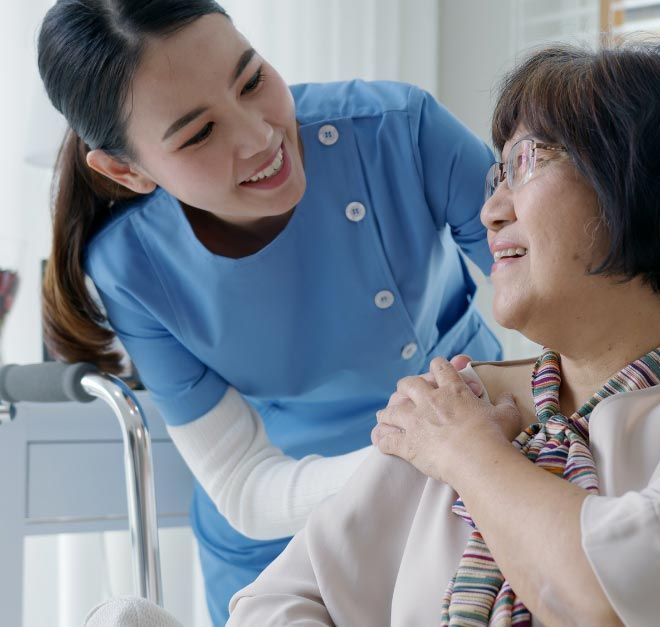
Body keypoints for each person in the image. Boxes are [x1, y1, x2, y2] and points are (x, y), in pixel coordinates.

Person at [228, 41, 660, 626]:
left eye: (527, 162)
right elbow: (272, 602)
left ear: (653, 182)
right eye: (497, 176)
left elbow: (611, 601)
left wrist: (469, 457)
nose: (490, 210)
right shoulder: (461, 401)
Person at [37, 2, 501, 624]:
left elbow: (568, 294)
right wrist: (427, 453)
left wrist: (480, 448)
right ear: (126, 170)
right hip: (285, 527)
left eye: (252, 80)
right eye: (199, 134)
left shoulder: (397, 131)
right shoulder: (132, 266)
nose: (260, 138)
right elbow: (242, 482)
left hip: (474, 460)